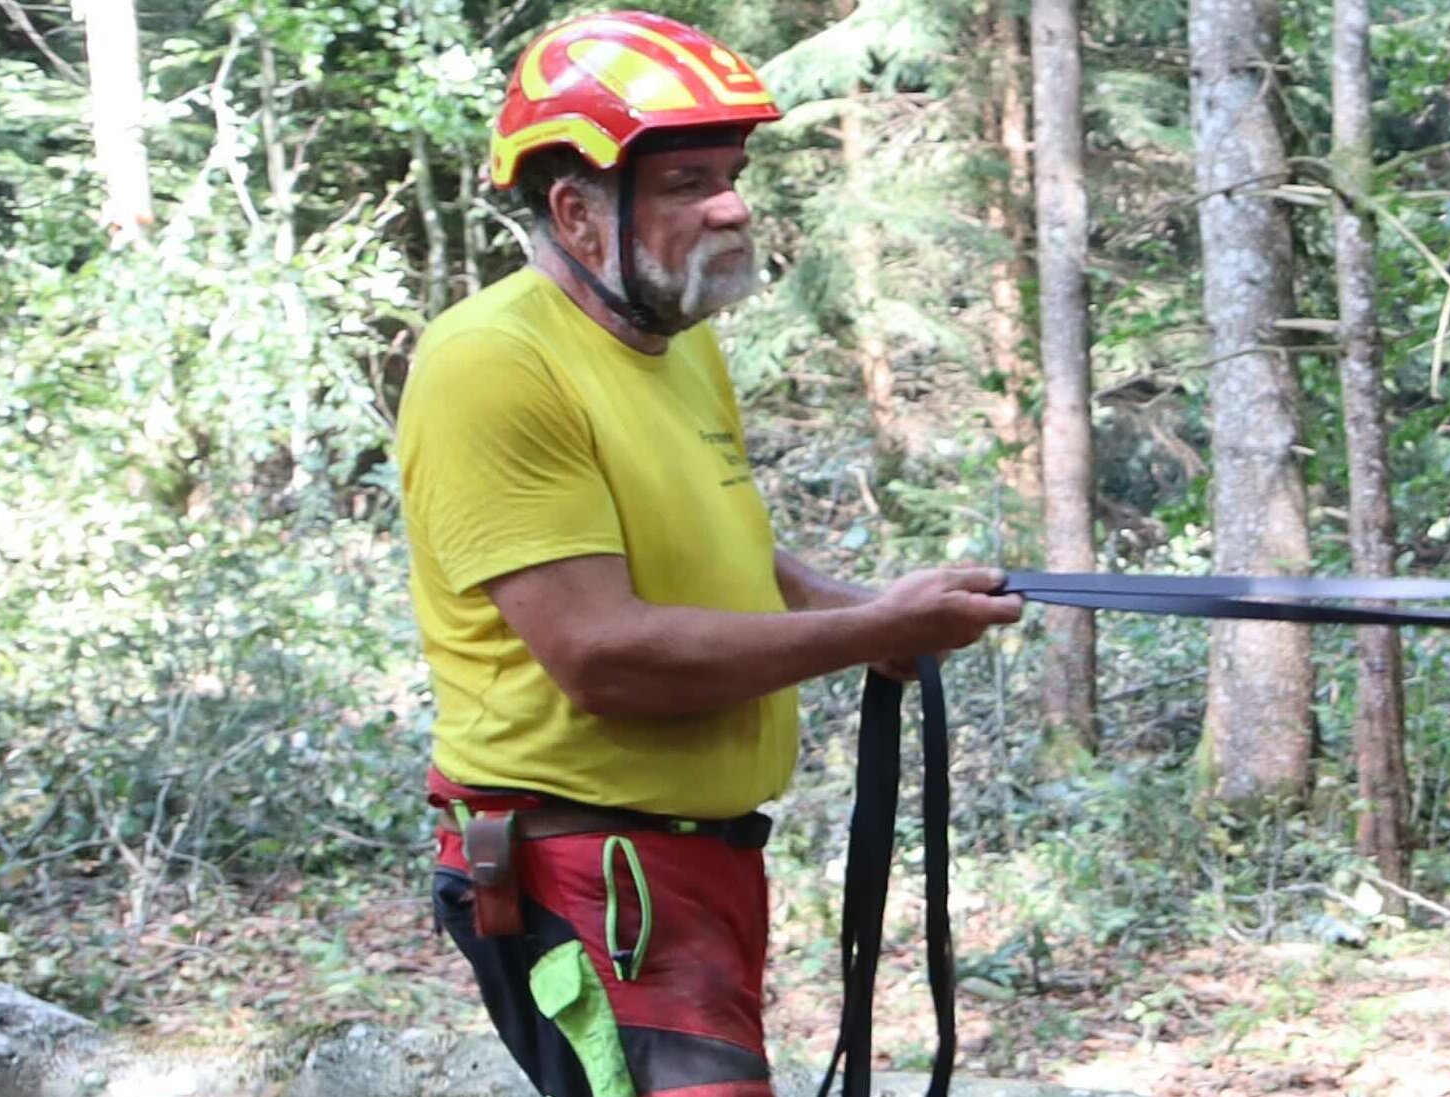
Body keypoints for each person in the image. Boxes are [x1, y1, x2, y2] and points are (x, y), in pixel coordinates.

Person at [400, 12, 1020, 1095]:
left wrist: (863, 613)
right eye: (688, 181)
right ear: (575, 212)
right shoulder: (493, 363)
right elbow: (604, 656)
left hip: (688, 865)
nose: (732, 204)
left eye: (731, 174)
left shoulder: (669, 344)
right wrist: (874, 628)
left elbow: (724, 545)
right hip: (584, 870)